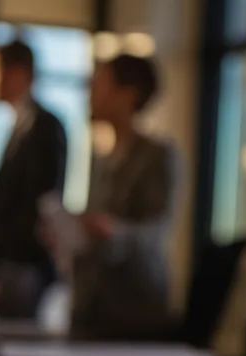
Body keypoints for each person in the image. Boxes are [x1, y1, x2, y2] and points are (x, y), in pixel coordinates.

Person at [66, 53, 177, 339]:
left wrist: (113, 231)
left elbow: (157, 228)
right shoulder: (102, 159)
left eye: (100, 84)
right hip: (93, 307)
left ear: (128, 94)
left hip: (135, 308)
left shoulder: (158, 155)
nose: (90, 92)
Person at [0, 40, 67, 319]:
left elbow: (40, 204)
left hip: (24, 268)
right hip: (10, 267)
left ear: (17, 73)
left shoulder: (45, 127)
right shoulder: (19, 126)